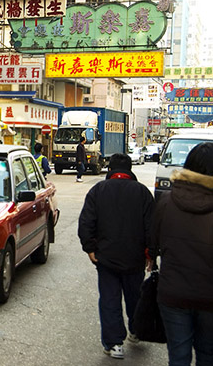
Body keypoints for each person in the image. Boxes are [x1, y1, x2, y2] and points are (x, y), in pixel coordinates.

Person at [78, 153, 155, 359]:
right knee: (135, 296)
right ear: (130, 170)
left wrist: (90, 248)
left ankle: (114, 344)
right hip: (135, 257)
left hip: (106, 258)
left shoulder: (98, 191)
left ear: (110, 169)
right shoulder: (143, 193)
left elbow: (86, 222)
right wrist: (151, 253)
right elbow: (152, 227)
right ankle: (136, 331)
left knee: (109, 299)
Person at [150, 142, 213, 366]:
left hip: (173, 292)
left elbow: (152, 242)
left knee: (178, 356)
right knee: (208, 354)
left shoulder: (166, 201)